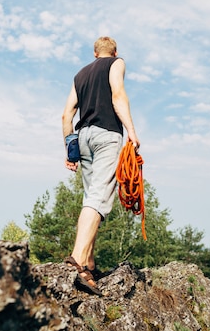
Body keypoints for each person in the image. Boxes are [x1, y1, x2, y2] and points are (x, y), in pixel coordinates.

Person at [61, 36, 140, 295]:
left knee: (90, 197)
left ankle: (90, 263)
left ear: (94, 53)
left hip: (83, 138)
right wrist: (131, 131)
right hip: (107, 135)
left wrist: (69, 150)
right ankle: (78, 261)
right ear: (113, 52)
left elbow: (66, 114)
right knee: (98, 199)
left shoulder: (80, 75)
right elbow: (118, 95)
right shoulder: (117, 63)